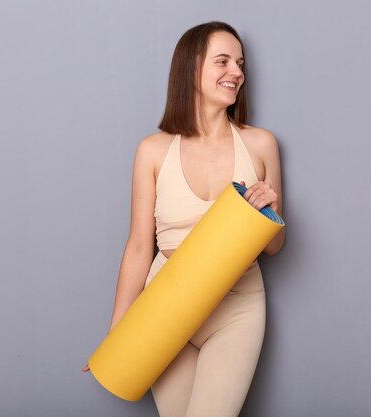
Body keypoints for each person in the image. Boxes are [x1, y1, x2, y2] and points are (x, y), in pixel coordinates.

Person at [83, 21, 285, 417]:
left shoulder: (261, 144)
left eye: (240, 63)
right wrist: (118, 333)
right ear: (191, 70)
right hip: (164, 306)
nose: (237, 73)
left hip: (236, 305)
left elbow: (275, 246)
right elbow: (140, 246)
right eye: (223, 61)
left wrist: (266, 215)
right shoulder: (153, 151)